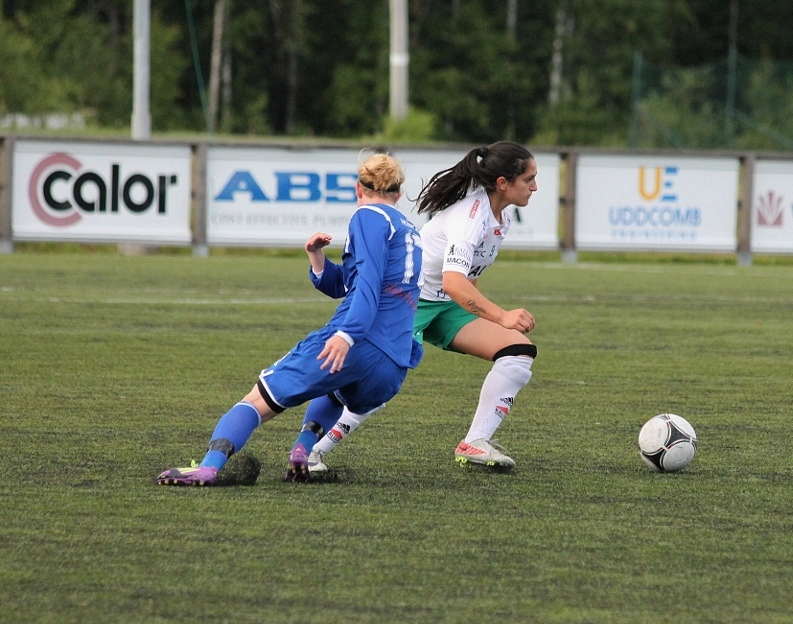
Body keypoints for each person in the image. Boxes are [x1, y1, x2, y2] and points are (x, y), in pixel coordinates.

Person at [156, 152, 423, 485]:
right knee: (334, 391)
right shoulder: (409, 230)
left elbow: (368, 285)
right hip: (392, 365)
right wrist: (316, 257)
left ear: (359, 188)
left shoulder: (368, 216)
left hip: (360, 342)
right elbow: (350, 284)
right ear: (398, 193)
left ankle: (208, 467)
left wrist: (347, 335)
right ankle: (302, 451)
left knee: (258, 399)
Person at [286, 141, 538, 473]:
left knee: (518, 351)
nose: (535, 186)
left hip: (447, 305)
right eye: (529, 179)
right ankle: (311, 452)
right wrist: (502, 316)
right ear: (503, 183)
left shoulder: (501, 216)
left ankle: (475, 442)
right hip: (410, 301)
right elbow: (454, 282)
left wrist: (487, 317)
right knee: (378, 380)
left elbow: (467, 277)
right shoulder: (471, 218)